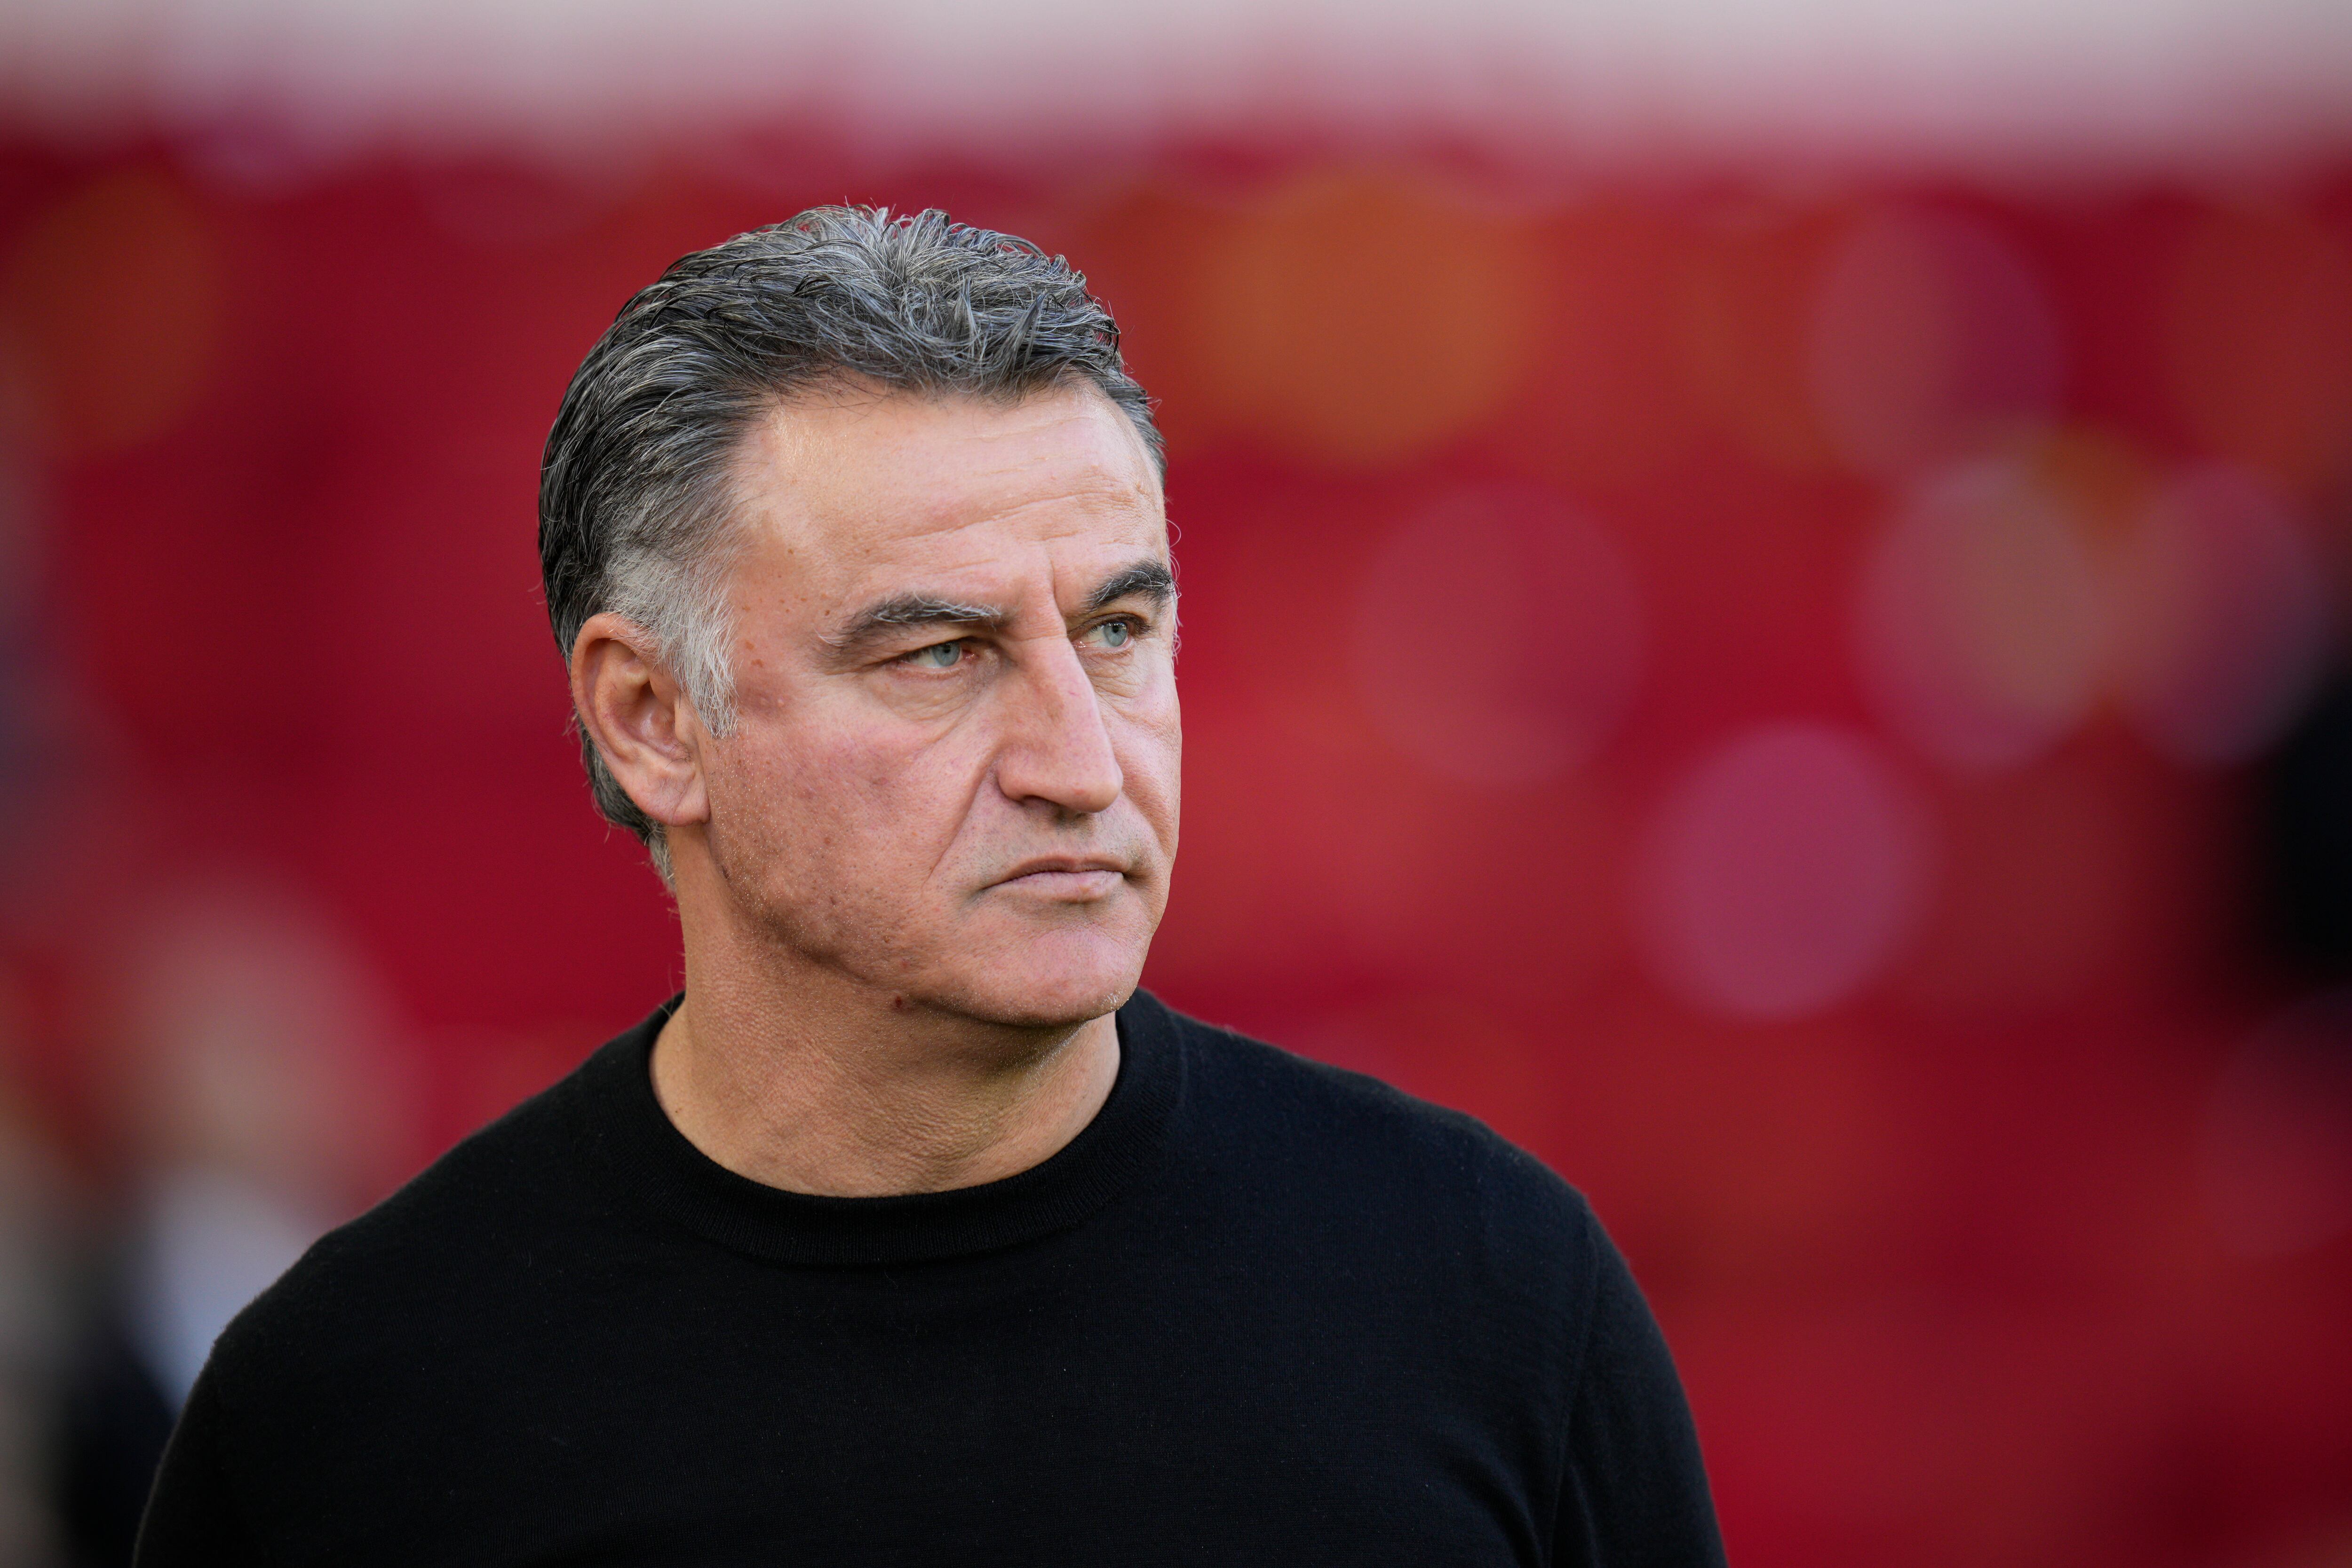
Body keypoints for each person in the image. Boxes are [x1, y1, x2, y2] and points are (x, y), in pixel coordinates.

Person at [135, 207, 1726, 1566]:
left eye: (1118, 632)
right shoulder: (351, 1414)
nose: (1083, 764)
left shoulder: (1495, 1299)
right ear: (653, 718)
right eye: (943, 655)